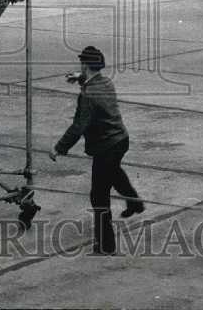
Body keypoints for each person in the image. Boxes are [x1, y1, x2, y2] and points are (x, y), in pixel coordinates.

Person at [49, 46, 144, 255]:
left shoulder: (88, 96)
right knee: (115, 173)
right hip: (121, 140)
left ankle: (106, 246)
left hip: (106, 146)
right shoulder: (105, 82)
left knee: (99, 196)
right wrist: (81, 78)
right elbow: (93, 83)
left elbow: (78, 127)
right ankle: (135, 202)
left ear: (85, 65)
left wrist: (59, 148)